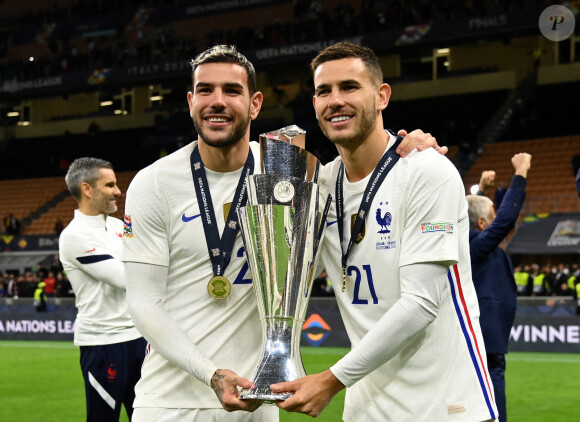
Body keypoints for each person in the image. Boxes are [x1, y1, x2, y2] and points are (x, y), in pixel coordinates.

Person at [122, 44, 441, 422]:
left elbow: (360, 174)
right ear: (191, 101)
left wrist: (405, 149)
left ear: (255, 104)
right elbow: (143, 302)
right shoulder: (154, 183)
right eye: (205, 91)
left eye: (232, 91)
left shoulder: (295, 172)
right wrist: (209, 374)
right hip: (169, 403)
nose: (217, 102)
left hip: (258, 401)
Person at [271, 41, 498, 422]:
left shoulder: (427, 171)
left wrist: (331, 380)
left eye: (349, 87)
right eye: (323, 91)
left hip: (445, 409)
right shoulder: (318, 187)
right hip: (366, 412)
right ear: (314, 104)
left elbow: (420, 303)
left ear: (381, 96)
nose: (335, 100)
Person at [58, 157, 147, 422]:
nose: (118, 192)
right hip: (103, 344)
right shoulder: (73, 236)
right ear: (87, 189)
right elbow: (126, 278)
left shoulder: (121, 226)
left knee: (148, 416)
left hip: (139, 337)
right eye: (109, 185)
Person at [466, 152, 531, 422]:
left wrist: (481, 190)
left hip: (486, 330)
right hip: (485, 331)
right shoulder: (475, 245)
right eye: (491, 215)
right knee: (491, 391)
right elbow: (506, 220)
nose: (497, 217)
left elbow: (467, 214)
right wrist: (521, 173)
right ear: (482, 224)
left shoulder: (469, 240)